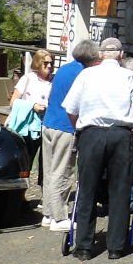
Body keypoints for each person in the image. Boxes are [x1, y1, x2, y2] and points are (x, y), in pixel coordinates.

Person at [62, 37, 133, 260]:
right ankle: (116, 247)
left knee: (87, 188)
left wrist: (79, 130)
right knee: (120, 189)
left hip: (91, 133)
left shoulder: (86, 75)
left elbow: (70, 108)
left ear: (100, 54)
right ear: (121, 54)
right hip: (120, 134)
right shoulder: (131, 76)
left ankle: (84, 247)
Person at [39, 40, 94, 232]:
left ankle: (47, 213)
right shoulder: (82, 74)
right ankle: (59, 217)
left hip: (48, 124)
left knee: (49, 170)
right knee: (62, 172)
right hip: (64, 126)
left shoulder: (63, 69)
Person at [9, 49, 53, 177]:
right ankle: (21, 188)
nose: (49, 66)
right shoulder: (27, 79)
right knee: (26, 159)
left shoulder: (54, 80)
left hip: (47, 124)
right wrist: (32, 106)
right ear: (38, 63)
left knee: (46, 162)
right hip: (28, 127)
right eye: (46, 63)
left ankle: (45, 191)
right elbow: (13, 102)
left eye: (51, 63)